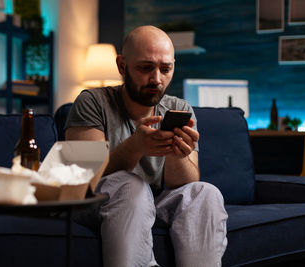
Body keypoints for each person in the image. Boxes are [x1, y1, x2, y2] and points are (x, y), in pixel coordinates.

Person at [64, 25, 228, 267]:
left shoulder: (180, 109)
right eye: (145, 68)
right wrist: (135, 146)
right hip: (100, 203)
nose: (157, 79)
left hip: (155, 202)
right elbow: (84, 177)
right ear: (122, 66)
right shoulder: (92, 102)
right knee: (132, 186)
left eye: (165, 69)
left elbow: (184, 184)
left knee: (206, 193)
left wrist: (177, 152)